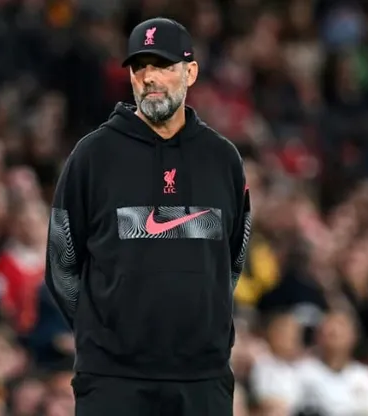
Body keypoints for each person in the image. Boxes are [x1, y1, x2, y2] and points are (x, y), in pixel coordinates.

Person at [44, 17, 252, 416]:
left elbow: (233, 260)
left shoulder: (223, 159)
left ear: (191, 72)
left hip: (202, 379)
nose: (149, 77)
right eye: (140, 67)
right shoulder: (93, 156)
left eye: (163, 65)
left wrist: (200, 329)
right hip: (113, 380)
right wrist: (104, 335)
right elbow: (61, 263)